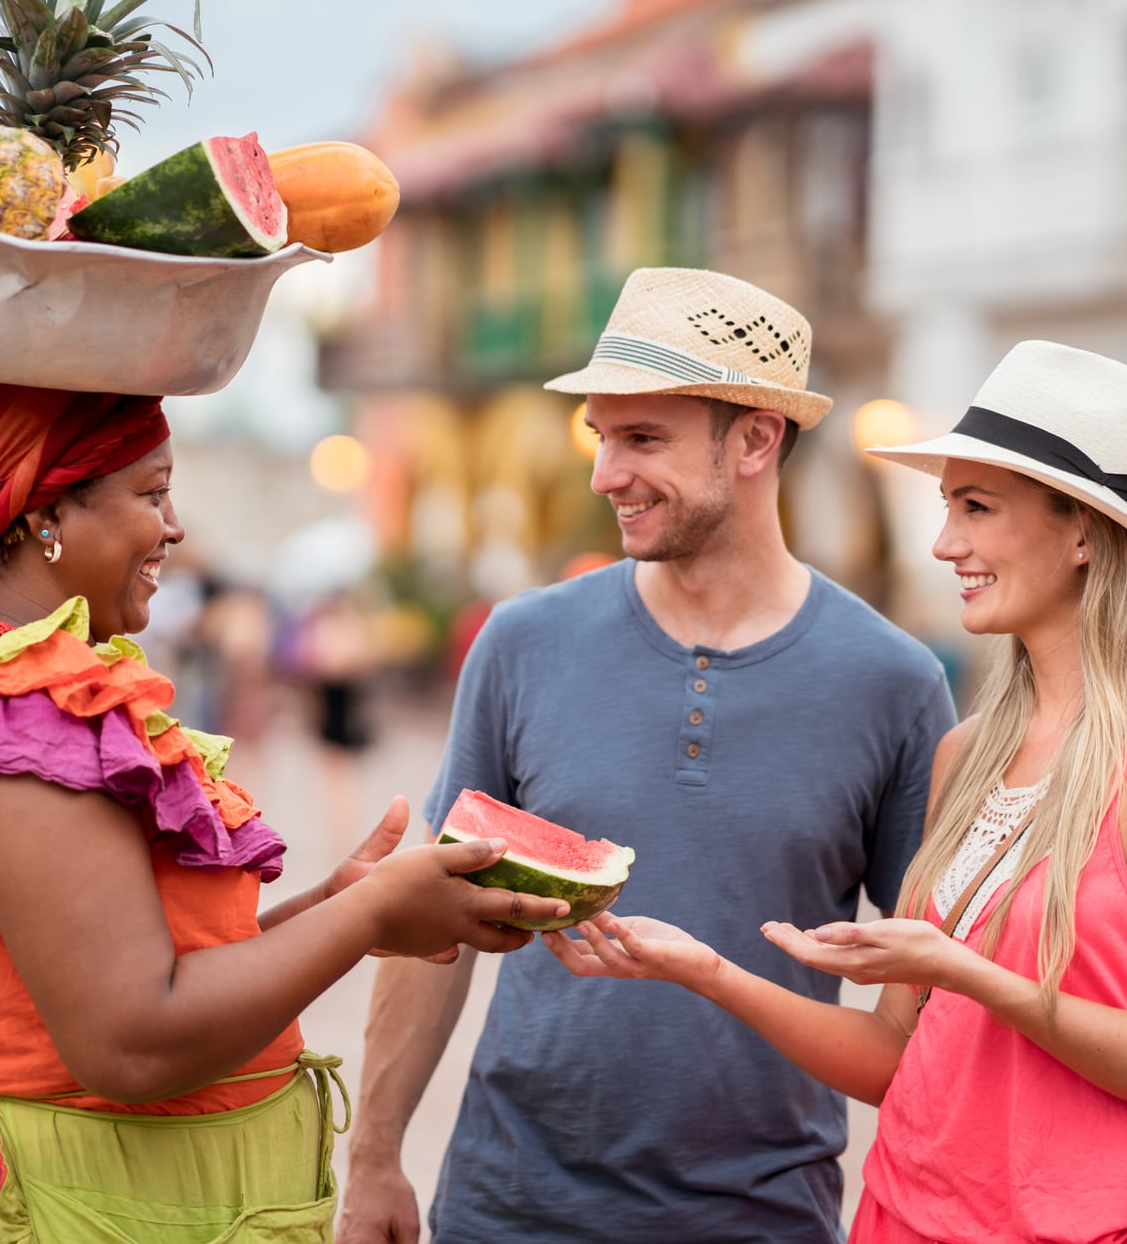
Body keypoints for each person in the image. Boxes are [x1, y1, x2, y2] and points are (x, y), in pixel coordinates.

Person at [0, 373, 569, 1242]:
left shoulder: (7, 692)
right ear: (45, 516)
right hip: (48, 1207)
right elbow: (133, 1043)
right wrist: (377, 906)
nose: (175, 527)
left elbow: (125, 969)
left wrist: (332, 915)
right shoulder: (21, 715)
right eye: (151, 494)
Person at [547, 340, 1127, 1244]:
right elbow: (899, 1058)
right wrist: (703, 969)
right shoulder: (965, 752)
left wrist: (970, 974)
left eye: (977, 508)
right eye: (947, 508)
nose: (945, 543)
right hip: (908, 1216)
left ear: (1085, 529)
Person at [337, 269, 955, 1244]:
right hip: (509, 1207)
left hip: (762, 1219)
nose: (602, 474)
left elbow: (925, 990)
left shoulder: (894, 683)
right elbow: (434, 925)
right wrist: (372, 1157)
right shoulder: (520, 641)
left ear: (754, 438)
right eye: (600, 436)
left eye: (643, 439)